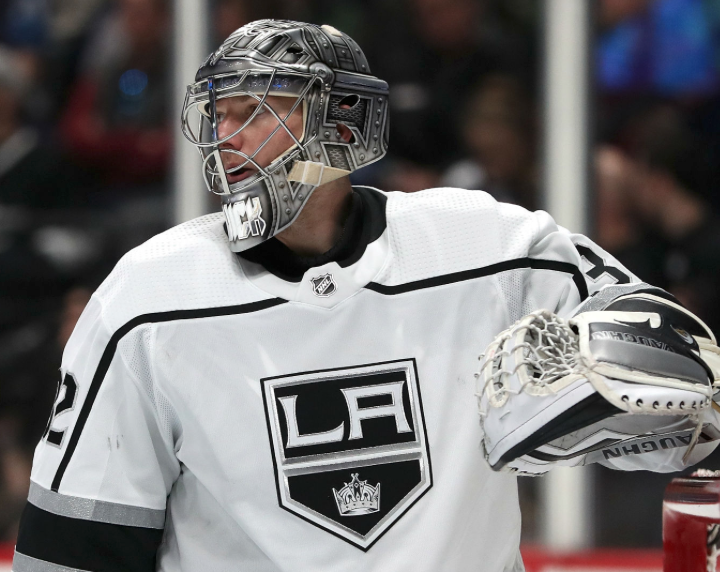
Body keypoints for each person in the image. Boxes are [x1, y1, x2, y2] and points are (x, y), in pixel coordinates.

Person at [12, 20, 720, 572]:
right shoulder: (147, 297)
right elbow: (75, 546)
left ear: (343, 122)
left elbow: (674, 365)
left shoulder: (492, 246)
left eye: (258, 111)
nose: (226, 140)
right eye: (218, 115)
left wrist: (628, 404)